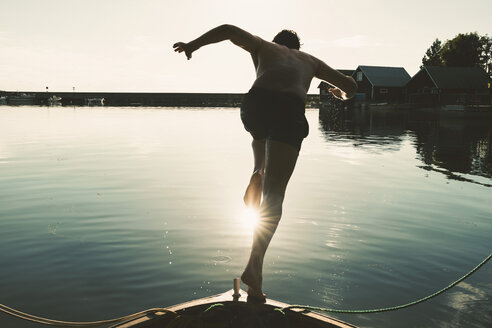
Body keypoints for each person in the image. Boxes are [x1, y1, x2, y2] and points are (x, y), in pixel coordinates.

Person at [173, 24, 357, 302]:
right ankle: (254, 268)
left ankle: (257, 169)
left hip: (254, 105)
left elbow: (227, 30)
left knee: (261, 134)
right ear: (298, 48)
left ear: (277, 44)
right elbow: (351, 87)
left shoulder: (264, 48)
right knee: (275, 194)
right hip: (288, 111)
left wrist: (192, 45)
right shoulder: (310, 61)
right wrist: (339, 93)